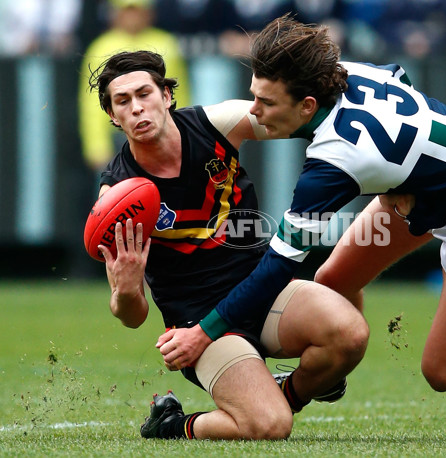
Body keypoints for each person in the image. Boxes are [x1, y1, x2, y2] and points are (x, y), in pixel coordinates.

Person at [187, 13, 446, 394]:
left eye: (265, 101)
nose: (253, 110)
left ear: (307, 105)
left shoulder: (336, 161)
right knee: (332, 281)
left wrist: (205, 331)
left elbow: (278, 267)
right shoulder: (338, 72)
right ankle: (335, 371)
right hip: (430, 191)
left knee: (442, 373)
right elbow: (399, 77)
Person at [87, 50, 369, 440]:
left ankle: (290, 390)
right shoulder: (117, 198)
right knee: (269, 426)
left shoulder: (217, 125)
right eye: (123, 102)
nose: (136, 108)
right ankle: (171, 424)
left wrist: (389, 167)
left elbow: (301, 117)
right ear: (113, 116)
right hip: (198, 325)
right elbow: (131, 315)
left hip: (262, 292)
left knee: (350, 335)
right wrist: (126, 288)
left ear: (167, 95)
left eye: (144, 94)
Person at [79, 0, 190, 173]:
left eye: (137, 11)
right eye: (127, 11)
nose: (132, 17)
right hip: (117, 135)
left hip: (160, 132)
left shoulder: (167, 43)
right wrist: (97, 145)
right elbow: (91, 103)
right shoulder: (101, 47)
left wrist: (183, 134)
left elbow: (178, 93)